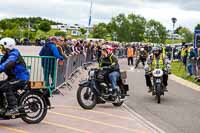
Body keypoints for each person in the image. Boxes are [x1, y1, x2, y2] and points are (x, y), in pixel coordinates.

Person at [0, 37, 30, 116]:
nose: (1, 49)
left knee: (7, 86)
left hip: (21, 78)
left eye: (2, 47)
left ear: (8, 47)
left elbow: (7, 64)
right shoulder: (6, 55)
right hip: (13, 78)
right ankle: (2, 107)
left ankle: (13, 108)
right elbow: (1, 65)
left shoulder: (14, 54)